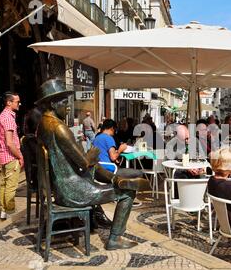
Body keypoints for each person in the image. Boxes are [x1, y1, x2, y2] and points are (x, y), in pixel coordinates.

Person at [36, 79, 148, 249]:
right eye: (65, 102)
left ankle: (113, 179)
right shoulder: (59, 128)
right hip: (73, 191)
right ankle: (114, 239)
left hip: (60, 187)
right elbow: (85, 163)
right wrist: (92, 153)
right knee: (128, 193)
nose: (68, 106)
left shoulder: (43, 125)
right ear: (52, 103)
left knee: (97, 169)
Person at [0, 92, 24, 220]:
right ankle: (11, 211)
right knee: (11, 187)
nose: (19, 104)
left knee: (4, 185)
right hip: (10, 157)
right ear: (9, 102)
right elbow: (9, 142)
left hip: (3, 156)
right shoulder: (8, 118)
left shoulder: (3, 115)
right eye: (17, 102)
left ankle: (3, 211)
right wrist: (20, 156)